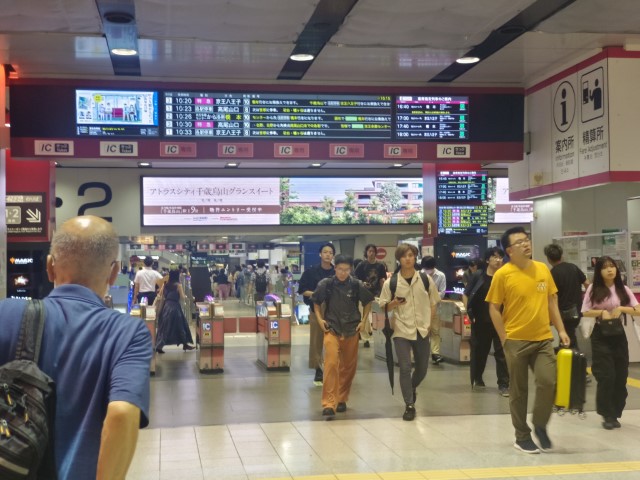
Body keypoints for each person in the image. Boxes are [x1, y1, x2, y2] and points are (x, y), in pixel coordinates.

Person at [0, 215, 152, 479]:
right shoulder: (128, 332)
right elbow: (122, 413)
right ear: (114, 272)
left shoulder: (5, 313)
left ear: (49, 267)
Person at [486, 226, 569, 454]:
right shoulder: (503, 274)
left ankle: (540, 425)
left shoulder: (542, 269)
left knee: (548, 382)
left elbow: (552, 302)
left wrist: (561, 330)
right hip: (515, 340)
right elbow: (494, 308)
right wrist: (504, 338)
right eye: (520, 242)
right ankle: (522, 436)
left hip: (542, 339)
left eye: (527, 240)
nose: (526, 244)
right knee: (519, 391)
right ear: (510, 250)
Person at [377, 244, 439, 421]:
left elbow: (433, 302)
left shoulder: (425, 279)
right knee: (405, 367)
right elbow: (383, 305)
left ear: (415, 257)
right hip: (402, 329)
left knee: (422, 368)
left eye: (411, 255)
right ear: (399, 259)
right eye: (404, 256)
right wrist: (394, 304)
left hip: (422, 329)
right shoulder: (392, 282)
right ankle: (409, 404)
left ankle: (411, 387)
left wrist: (429, 323)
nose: (408, 259)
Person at [312, 254, 374, 418]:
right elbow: (316, 302)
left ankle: (341, 398)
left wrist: (363, 320)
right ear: (335, 268)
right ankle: (329, 403)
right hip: (331, 328)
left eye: (346, 270)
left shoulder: (356, 284)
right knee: (331, 364)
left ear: (350, 270)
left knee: (348, 367)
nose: (343, 272)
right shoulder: (326, 284)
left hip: (352, 329)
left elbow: (368, 301)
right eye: (340, 269)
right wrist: (319, 320)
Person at [580, 256, 639, 429]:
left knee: (620, 377)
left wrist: (621, 309)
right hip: (600, 335)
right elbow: (584, 312)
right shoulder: (593, 289)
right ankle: (607, 414)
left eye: (612, 266)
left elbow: (638, 310)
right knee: (607, 376)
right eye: (605, 267)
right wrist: (600, 313)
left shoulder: (623, 289)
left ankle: (615, 412)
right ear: (599, 271)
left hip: (618, 335)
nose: (609, 270)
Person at [463, 248, 509, 396]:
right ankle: (478, 377)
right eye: (494, 257)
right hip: (482, 321)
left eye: (500, 257)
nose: (498, 260)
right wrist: (468, 311)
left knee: (501, 353)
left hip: (502, 322)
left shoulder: (505, 276)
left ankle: (503, 384)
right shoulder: (479, 276)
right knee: (480, 352)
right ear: (488, 260)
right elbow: (466, 294)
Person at [298, 243, 336, 385]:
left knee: (334, 340)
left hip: (335, 309)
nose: (328, 255)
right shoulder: (311, 272)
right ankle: (318, 369)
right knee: (317, 340)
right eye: (325, 252)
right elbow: (302, 290)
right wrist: (317, 294)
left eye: (330, 252)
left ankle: (333, 367)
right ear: (320, 254)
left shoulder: (337, 272)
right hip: (317, 309)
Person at [544, 243, 589, 350]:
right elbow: (587, 283)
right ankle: (570, 361)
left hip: (563, 312)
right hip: (577, 310)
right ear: (561, 255)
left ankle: (574, 363)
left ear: (549, 259)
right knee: (569, 336)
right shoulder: (573, 267)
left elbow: (552, 296)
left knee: (568, 339)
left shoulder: (552, 273)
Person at [354, 244, 388, 348]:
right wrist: (362, 283)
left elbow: (383, 279)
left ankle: (380, 336)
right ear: (366, 252)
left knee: (378, 315)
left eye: (373, 251)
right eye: (369, 251)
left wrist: (384, 293)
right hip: (363, 294)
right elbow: (355, 279)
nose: (371, 253)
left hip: (376, 293)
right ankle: (365, 339)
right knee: (364, 316)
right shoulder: (361, 265)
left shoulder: (380, 266)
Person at [155, 269, 195, 353]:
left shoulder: (165, 285)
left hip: (166, 307)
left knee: (165, 326)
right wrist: (189, 297)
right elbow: (182, 297)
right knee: (180, 325)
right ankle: (184, 344)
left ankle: (160, 345)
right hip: (175, 307)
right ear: (177, 276)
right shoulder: (178, 285)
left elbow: (161, 295)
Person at [420, 255, 446, 364]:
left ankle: (435, 354)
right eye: (426, 269)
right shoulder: (418, 275)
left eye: (429, 268)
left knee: (435, 330)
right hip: (421, 309)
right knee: (422, 331)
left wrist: (431, 297)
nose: (428, 271)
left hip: (435, 308)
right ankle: (420, 354)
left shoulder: (440, 276)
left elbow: (442, 292)